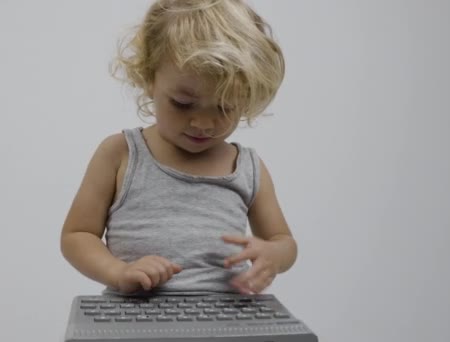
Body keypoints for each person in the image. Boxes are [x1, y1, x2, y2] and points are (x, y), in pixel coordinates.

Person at [61, 0, 297, 296]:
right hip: (135, 320)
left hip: (227, 321)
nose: (203, 123)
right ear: (149, 78)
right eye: (183, 104)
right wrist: (118, 272)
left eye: (225, 108)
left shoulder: (247, 167)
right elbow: (77, 235)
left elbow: (283, 240)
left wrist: (274, 256)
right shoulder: (120, 153)